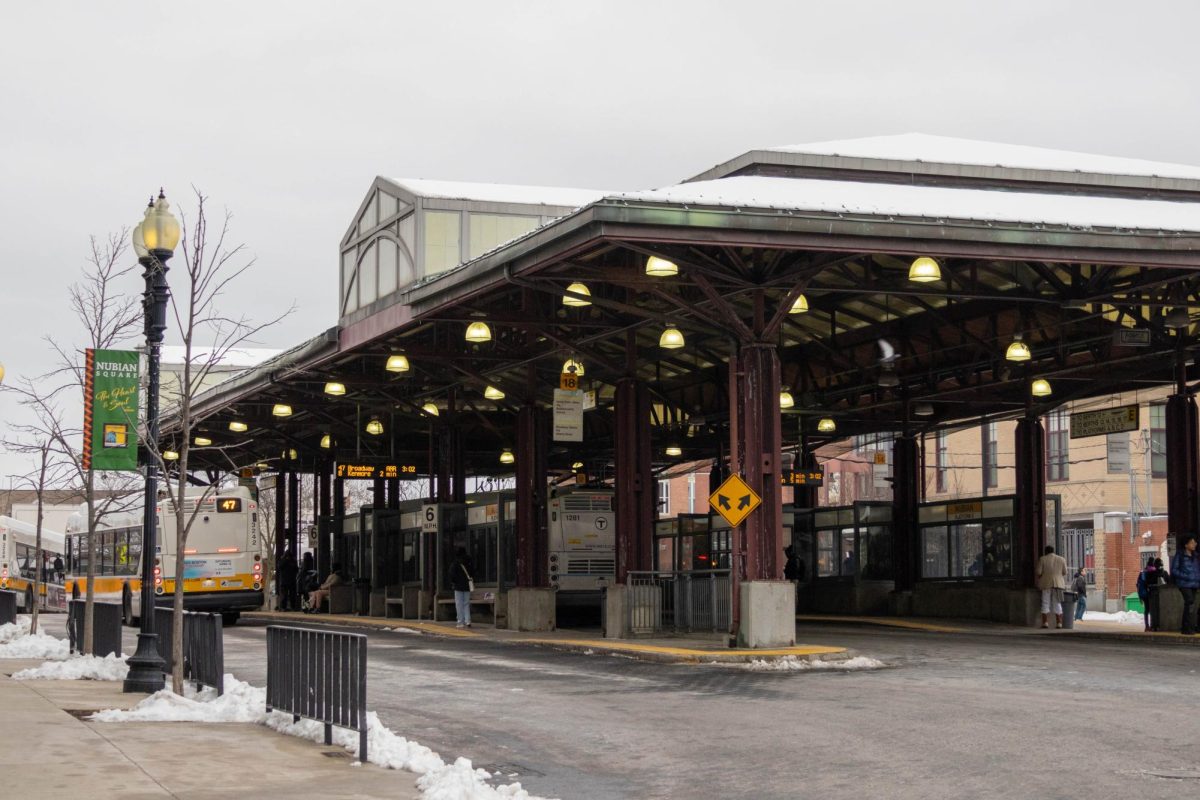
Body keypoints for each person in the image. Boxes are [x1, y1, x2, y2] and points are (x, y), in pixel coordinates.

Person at [1171, 535, 1200, 635]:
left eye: (1195, 542)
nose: (1195, 544)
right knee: (1189, 602)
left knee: (1192, 605)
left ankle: (1191, 627)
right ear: (1186, 544)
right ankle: (1186, 628)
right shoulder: (1180, 555)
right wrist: (1186, 576)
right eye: (1192, 542)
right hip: (1184, 584)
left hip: (1194, 584)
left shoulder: (1195, 556)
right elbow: (1174, 570)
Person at [1035, 545, 1068, 629]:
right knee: (1057, 603)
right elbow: (1065, 572)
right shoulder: (1062, 559)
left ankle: (1045, 622)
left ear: (1046, 551)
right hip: (1058, 584)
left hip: (1046, 583)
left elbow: (1038, 572)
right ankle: (1059, 623)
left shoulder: (1042, 559)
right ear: (1053, 551)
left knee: (1045, 602)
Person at [1137, 556, 1164, 632]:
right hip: (1151, 592)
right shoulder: (1154, 571)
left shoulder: (1143, 571)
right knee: (1153, 609)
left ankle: (1147, 626)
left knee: (1146, 610)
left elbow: (1139, 584)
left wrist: (1140, 595)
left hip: (1144, 592)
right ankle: (1154, 625)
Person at [449, 547, 474, 628]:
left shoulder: (455, 563)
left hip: (458, 586)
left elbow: (452, 574)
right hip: (467, 586)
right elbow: (473, 572)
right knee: (466, 603)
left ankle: (460, 621)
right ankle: (468, 620)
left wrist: (454, 582)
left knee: (459, 604)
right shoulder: (469, 561)